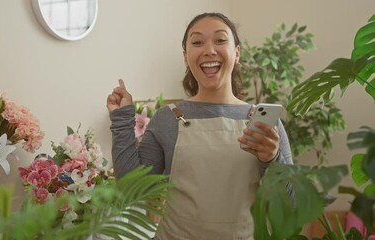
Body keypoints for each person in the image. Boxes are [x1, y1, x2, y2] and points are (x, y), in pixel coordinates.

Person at [107, 12, 293, 240]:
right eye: (197, 42)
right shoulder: (168, 118)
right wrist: (121, 119)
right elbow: (131, 189)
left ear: (237, 53)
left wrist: (272, 160)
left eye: (220, 40)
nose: (209, 50)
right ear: (186, 57)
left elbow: (290, 204)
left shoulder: (265, 124)